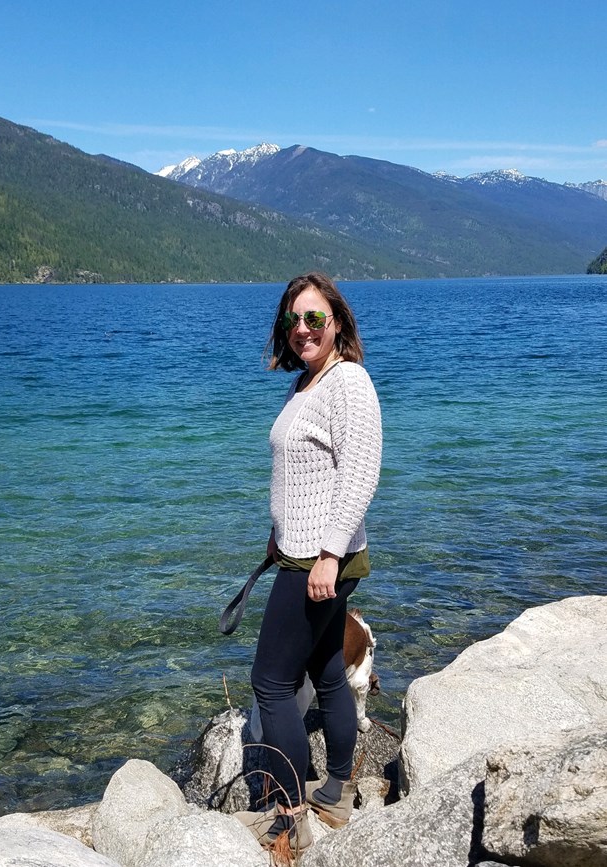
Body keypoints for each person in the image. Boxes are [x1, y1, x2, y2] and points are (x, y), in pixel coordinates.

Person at [235, 272, 382, 853]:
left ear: (338, 322)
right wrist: (279, 535)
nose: (303, 329)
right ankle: (337, 791)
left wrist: (325, 553)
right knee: (325, 671)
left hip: (320, 560)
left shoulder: (349, 382)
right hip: (300, 552)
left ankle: (290, 813)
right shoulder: (307, 384)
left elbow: (360, 474)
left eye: (315, 318)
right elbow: (303, 480)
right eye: (294, 320)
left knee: (270, 683)